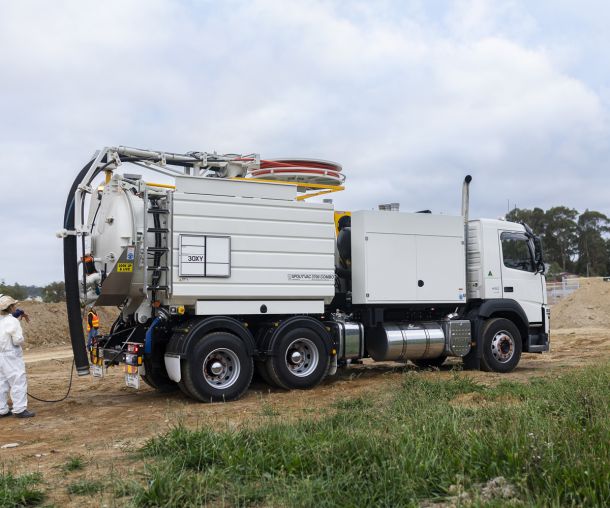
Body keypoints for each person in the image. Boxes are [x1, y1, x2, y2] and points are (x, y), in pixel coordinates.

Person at [0, 295, 35, 418]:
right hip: (11, 355)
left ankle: (2, 410)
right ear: (10, 307)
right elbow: (17, 340)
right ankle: (20, 409)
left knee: (1, 382)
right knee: (18, 381)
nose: (15, 306)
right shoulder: (12, 321)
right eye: (13, 305)